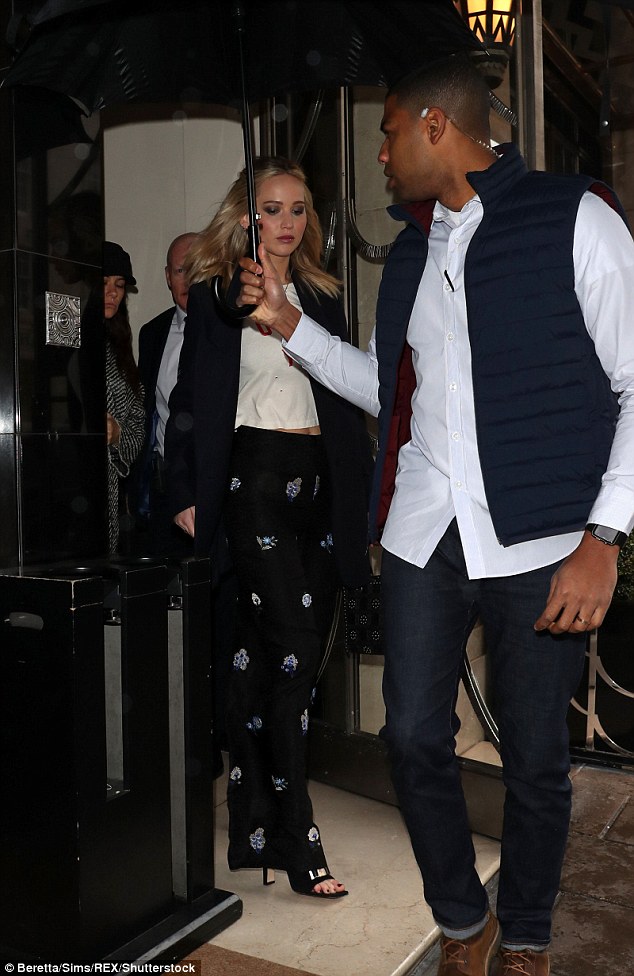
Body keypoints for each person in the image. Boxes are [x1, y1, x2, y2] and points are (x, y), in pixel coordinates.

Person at [237, 57, 634, 975]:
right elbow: (389, 387)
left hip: (541, 536)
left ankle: (526, 934)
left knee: (537, 761)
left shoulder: (576, 216)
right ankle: (464, 923)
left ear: (431, 127)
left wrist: (602, 538)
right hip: (425, 530)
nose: (376, 156)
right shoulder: (412, 250)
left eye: (384, 134)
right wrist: (288, 321)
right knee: (412, 734)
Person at [165, 156, 371, 898]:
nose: (284, 224)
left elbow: (349, 387)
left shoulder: (319, 293)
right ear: (244, 217)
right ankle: (298, 836)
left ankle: (253, 826)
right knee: (291, 648)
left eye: (296, 210)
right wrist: (186, 488)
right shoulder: (225, 290)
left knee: (270, 660)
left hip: (317, 486)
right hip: (254, 480)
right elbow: (188, 397)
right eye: (269, 210)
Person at [130, 231, 198, 558]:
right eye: (180, 270)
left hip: (213, 485)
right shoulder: (153, 333)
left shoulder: (235, 331)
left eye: (198, 268)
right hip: (162, 486)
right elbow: (144, 408)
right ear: (168, 277)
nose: (188, 279)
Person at [103, 241, 145, 554]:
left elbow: (138, 421)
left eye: (119, 285)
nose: (113, 292)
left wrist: (117, 433)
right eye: (103, 283)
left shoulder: (120, 347)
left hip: (112, 490)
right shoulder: (64, 339)